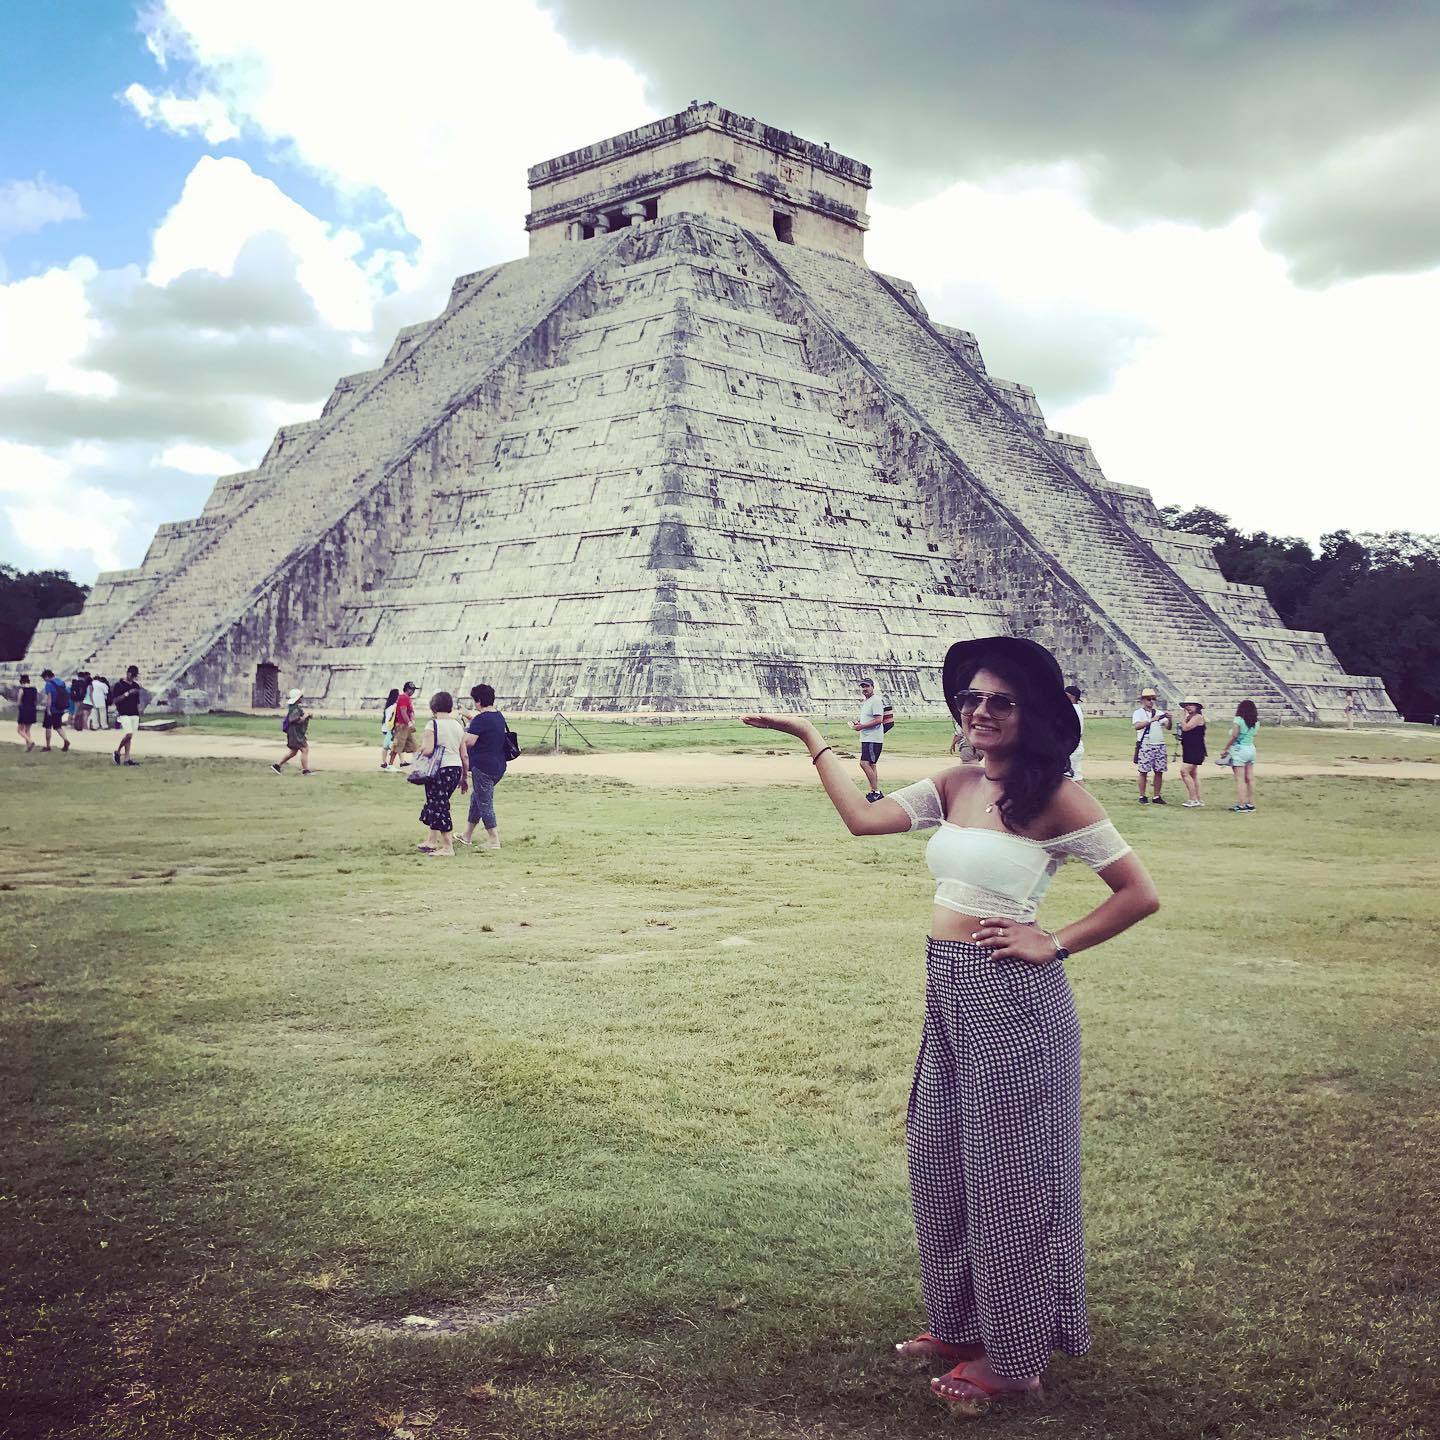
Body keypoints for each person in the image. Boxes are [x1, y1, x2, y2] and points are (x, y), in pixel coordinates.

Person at [744, 638, 1158, 1415]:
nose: (980, 711)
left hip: (1014, 1002)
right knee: (940, 1163)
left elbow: (1139, 892)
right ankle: (961, 1325)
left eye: (1001, 700)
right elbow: (865, 820)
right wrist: (812, 739)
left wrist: (1053, 940)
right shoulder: (956, 782)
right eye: (971, 698)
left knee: (1010, 1179)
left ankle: (1016, 1358)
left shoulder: (1058, 797)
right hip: (947, 991)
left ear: (1033, 712)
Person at [415, 691, 468, 856]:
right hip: (455, 769)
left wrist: (418, 751)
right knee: (437, 802)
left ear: (433, 707)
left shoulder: (432, 725)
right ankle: (431, 840)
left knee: (439, 805)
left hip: (439, 769)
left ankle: (447, 847)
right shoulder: (457, 726)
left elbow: (428, 750)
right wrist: (464, 777)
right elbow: (464, 755)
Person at [459, 683, 509, 851]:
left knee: (484, 802)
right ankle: (467, 835)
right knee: (477, 798)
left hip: (483, 767)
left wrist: (462, 731)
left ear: (479, 701)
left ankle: (494, 840)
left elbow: (469, 742)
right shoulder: (498, 716)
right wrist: (470, 718)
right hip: (498, 765)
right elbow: (484, 727)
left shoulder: (481, 719)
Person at [1218, 699, 1259, 811]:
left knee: (1240, 779)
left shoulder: (1239, 720)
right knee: (1250, 778)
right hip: (1251, 748)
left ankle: (1241, 804)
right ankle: (1251, 803)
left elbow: (1234, 736)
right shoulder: (1256, 722)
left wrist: (1225, 749)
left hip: (1240, 749)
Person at [1132, 687, 1171, 804]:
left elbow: (1168, 727)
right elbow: (1137, 726)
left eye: (1153, 699)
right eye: (1149, 699)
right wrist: (1151, 720)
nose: (1151, 701)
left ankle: (1157, 796)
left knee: (1159, 771)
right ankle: (1142, 795)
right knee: (1143, 771)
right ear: (1143, 700)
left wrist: (1169, 719)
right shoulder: (1138, 713)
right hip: (1146, 744)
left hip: (1159, 744)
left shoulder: (1159, 713)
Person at [853, 676, 886, 801]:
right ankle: (874, 792)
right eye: (863, 686)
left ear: (873, 687)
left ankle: (876, 791)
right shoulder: (867, 702)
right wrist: (859, 723)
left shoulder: (875, 701)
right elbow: (870, 718)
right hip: (867, 738)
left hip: (873, 738)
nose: (864, 689)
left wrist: (862, 726)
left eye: (867, 686)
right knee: (872, 765)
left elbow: (878, 720)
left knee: (864, 763)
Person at [270, 688, 314, 775]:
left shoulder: (294, 708)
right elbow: (296, 720)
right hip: (295, 733)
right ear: (297, 699)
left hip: (294, 733)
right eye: (301, 697)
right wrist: (305, 716)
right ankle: (305, 770)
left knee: (293, 752)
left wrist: (307, 716)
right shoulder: (294, 709)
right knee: (305, 749)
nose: (302, 698)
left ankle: (277, 765)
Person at [110, 666, 143, 765]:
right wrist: (127, 693)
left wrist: (139, 710)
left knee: (130, 737)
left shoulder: (136, 685)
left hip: (134, 713)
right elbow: (115, 700)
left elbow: (137, 701)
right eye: (131, 675)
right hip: (124, 712)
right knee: (128, 734)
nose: (132, 677)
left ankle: (127, 759)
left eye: (134, 676)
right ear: (128, 673)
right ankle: (117, 751)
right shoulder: (119, 685)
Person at [1178, 699, 1207, 807]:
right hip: (1189, 748)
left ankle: (1193, 799)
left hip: (1196, 749)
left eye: (1191, 705)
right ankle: (1198, 798)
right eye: (1186, 705)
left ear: (1197, 707)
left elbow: (1186, 728)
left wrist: (1182, 718)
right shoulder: (1189, 717)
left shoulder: (1198, 717)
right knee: (1193, 774)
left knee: (1184, 771)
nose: (1188, 707)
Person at [387, 681, 419, 770]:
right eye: (412, 689)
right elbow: (403, 712)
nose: (413, 691)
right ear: (407, 689)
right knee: (397, 745)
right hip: (402, 725)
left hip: (406, 726)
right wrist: (409, 723)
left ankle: (417, 765)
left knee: (414, 745)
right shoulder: (404, 698)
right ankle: (390, 765)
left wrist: (411, 721)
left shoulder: (407, 698)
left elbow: (409, 712)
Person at [40, 669, 71, 752]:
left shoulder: (48, 684)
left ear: (47, 677)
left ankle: (48, 746)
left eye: (44, 678)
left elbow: (49, 698)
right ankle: (66, 740)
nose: (44, 680)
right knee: (58, 726)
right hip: (60, 708)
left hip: (52, 708)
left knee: (48, 727)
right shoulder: (61, 682)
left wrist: (48, 709)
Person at [1064, 685, 1085, 781]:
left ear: (1071, 697)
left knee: (1066, 778)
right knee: (1076, 777)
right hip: (1077, 747)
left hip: (1071, 748)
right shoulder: (1076, 708)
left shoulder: (1071, 709)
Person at [379, 687, 400, 771]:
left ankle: (384, 762)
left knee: (387, 746)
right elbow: (391, 719)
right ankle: (391, 764)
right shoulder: (394, 706)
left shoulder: (388, 706)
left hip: (385, 728)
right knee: (394, 746)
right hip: (390, 728)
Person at [16, 674, 38, 751]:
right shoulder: (34, 689)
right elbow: (35, 700)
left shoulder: (21, 690)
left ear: (21, 681)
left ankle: (30, 742)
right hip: (32, 710)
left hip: (24, 710)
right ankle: (29, 747)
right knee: (27, 730)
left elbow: (19, 702)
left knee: (19, 730)